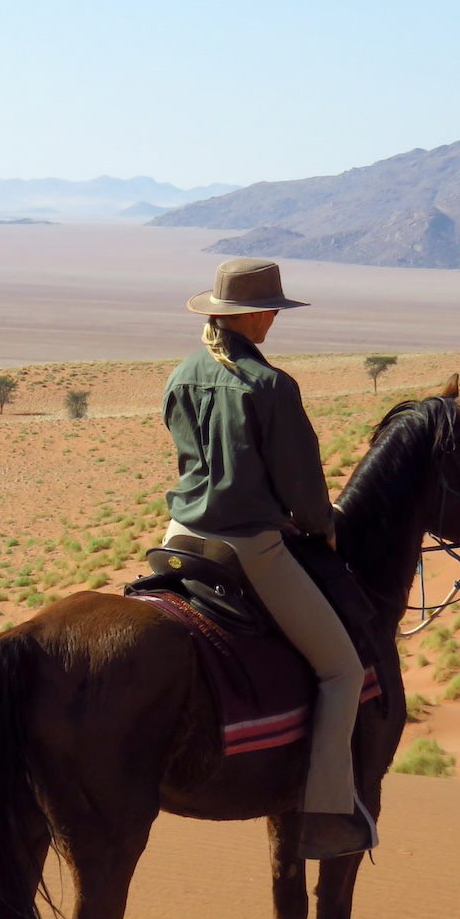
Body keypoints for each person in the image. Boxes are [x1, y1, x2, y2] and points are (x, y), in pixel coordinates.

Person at [162, 257, 376, 860]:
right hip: (247, 545)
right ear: (252, 315)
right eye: (273, 311)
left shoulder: (181, 375)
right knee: (343, 671)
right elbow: (302, 484)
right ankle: (326, 813)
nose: (274, 321)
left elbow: (191, 462)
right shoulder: (271, 385)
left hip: (180, 535)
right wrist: (321, 529)